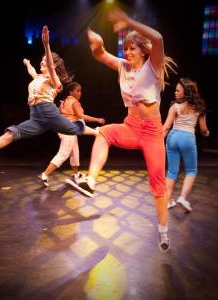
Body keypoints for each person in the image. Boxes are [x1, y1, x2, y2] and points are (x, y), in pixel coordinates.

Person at [68, 7, 177, 252]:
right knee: (104, 133)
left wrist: (128, 21)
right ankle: (90, 181)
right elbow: (101, 55)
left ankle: (163, 230)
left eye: (132, 48)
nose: (127, 52)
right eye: (125, 48)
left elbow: (158, 38)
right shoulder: (122, 67)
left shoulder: (153, 67)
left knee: (157, 184)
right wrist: (96, 44)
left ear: (142, 51)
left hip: (151, 132)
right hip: (131, 126)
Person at [0, 25, 97, 162]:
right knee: (10, 135)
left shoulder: (54, 80)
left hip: (49, 113)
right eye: (42, 60)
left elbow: (51, 69)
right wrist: (27, 63)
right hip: (36, 117)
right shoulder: (39, 78)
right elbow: (32, 72)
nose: (42, 62)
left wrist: (46, 44)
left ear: (53, 64)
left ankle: (99, 132)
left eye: (45, 60)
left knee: (77, 129)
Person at [40, 81, 105, 186]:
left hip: (68, 128)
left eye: (80, 91)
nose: (80, 93)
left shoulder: (66, 101)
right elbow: (81, 116)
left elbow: (71, 117)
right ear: (71, 92)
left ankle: (76, 174)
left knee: (75, 151)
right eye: (77, 91)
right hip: (68, 131)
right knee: (63, 154)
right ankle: (45, 174)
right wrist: (97, 119)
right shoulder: (74, 102)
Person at [163, 78, 210, 212]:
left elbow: (166, 127)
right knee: (191, 170)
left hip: (173, 137)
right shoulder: (199, 108)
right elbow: (203, 129)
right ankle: (183, 197)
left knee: (172, 171)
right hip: (187, 138)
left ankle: (167, 201)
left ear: (186, 92)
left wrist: (156, 143)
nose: (175, 92)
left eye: (178, 90)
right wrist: (207, 133)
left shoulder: (175, 106)